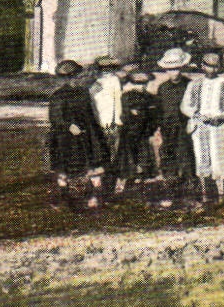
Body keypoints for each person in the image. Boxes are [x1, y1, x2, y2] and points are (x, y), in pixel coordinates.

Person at [47, 59, 108, 211]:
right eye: (68, 77)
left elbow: (91, 113)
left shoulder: (84, 93)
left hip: (87, 134)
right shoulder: (57, 96)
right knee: (64, 167)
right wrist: (68, 125)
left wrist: (96, 130)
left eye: (74, 76)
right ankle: (63, 196)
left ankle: (95, 196)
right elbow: (55, 118)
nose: (72, 80)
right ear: (62, 79)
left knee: (93, 163)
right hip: (65, 138)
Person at [183, 50, 224, 209]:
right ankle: (205, 195)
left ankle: (223, 196)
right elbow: (185, 105)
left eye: (215, 67)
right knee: (202, 159)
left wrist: (223, 117)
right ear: (202, 66)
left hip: (217, 126)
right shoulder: (194, 84)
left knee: (218, 159)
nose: (212, 70)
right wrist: (196, 114)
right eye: (209, 66)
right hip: (199, 125)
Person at [153, 48, 194, 206]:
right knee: (168, 160)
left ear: (182, 68)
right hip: (167, 129)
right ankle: (170, 194)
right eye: (170, 69)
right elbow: (158, 110)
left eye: (176, 68)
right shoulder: (163, 88)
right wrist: (157, 129)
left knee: (186, 160)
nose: (174, 72)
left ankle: (189, 195)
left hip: (185, 130)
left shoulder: (190, 85)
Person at [112, 67, 159, 198]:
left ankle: (141, 186)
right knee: (126, 161)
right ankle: (120, 187)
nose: (141, 87)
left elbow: (153, 118)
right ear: (132, 83)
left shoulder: (151, 98)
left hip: (143, 133)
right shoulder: (127, 97)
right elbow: (124, 116)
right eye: (138, 83)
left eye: (144, 83)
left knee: (143, 160)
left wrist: (150, 129)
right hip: (129, 134)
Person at [89, 56, 124, 177]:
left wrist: (117, 119)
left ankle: (111, 171)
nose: (106, 70)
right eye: (103, 68)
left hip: (110, 119)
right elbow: (92, 102)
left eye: (108, 68)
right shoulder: (93, 82)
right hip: (98, 117)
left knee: (112, 146)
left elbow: (117, 100)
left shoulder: (114, 80)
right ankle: (101, 169)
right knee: (99, 146)